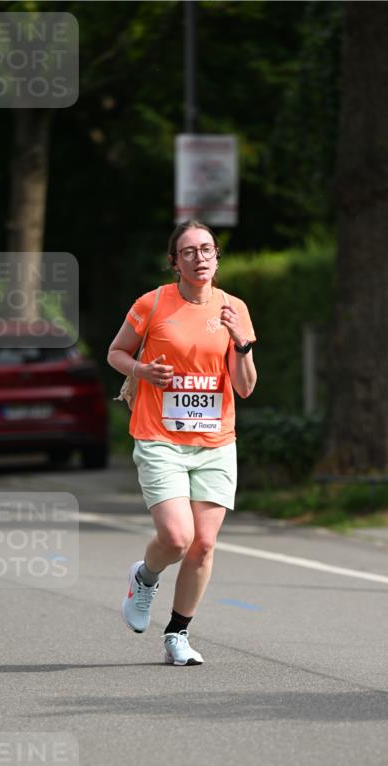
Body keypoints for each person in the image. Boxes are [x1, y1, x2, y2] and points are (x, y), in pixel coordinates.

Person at [107, 220, 257, 665]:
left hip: (215, 441)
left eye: (207, 249)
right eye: (189, 251)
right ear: (175, 261)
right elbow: (116, 352)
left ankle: (177, 634)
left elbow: (245, 388)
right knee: (175, 538)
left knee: (203, 544)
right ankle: (145, 577)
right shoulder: (152, 304)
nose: (200, 257)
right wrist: (141, 372)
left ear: (217, 256)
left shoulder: (234, 307)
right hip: (160, 436)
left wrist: (242, 344)